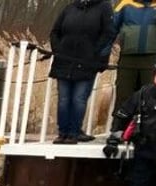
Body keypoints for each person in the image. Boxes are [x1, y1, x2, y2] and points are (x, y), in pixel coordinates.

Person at [48, 0, 113, 144]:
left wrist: (95, 54)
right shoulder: (70, 8)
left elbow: (108, 33)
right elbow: (55, 32)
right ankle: (63, 132)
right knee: (64, 99)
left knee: (79, 98)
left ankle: (74, 132)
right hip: (64, 61)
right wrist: (58, 50)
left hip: (87, 62)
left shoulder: (104, 7)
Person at [107, 0, 156, 107]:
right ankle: (121, 122)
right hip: (128, 57)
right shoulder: (125, 2)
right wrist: (104, 53)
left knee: (151, 95)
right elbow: (111, 27)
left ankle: (149, 122)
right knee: (123, 95)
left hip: (153, 56)